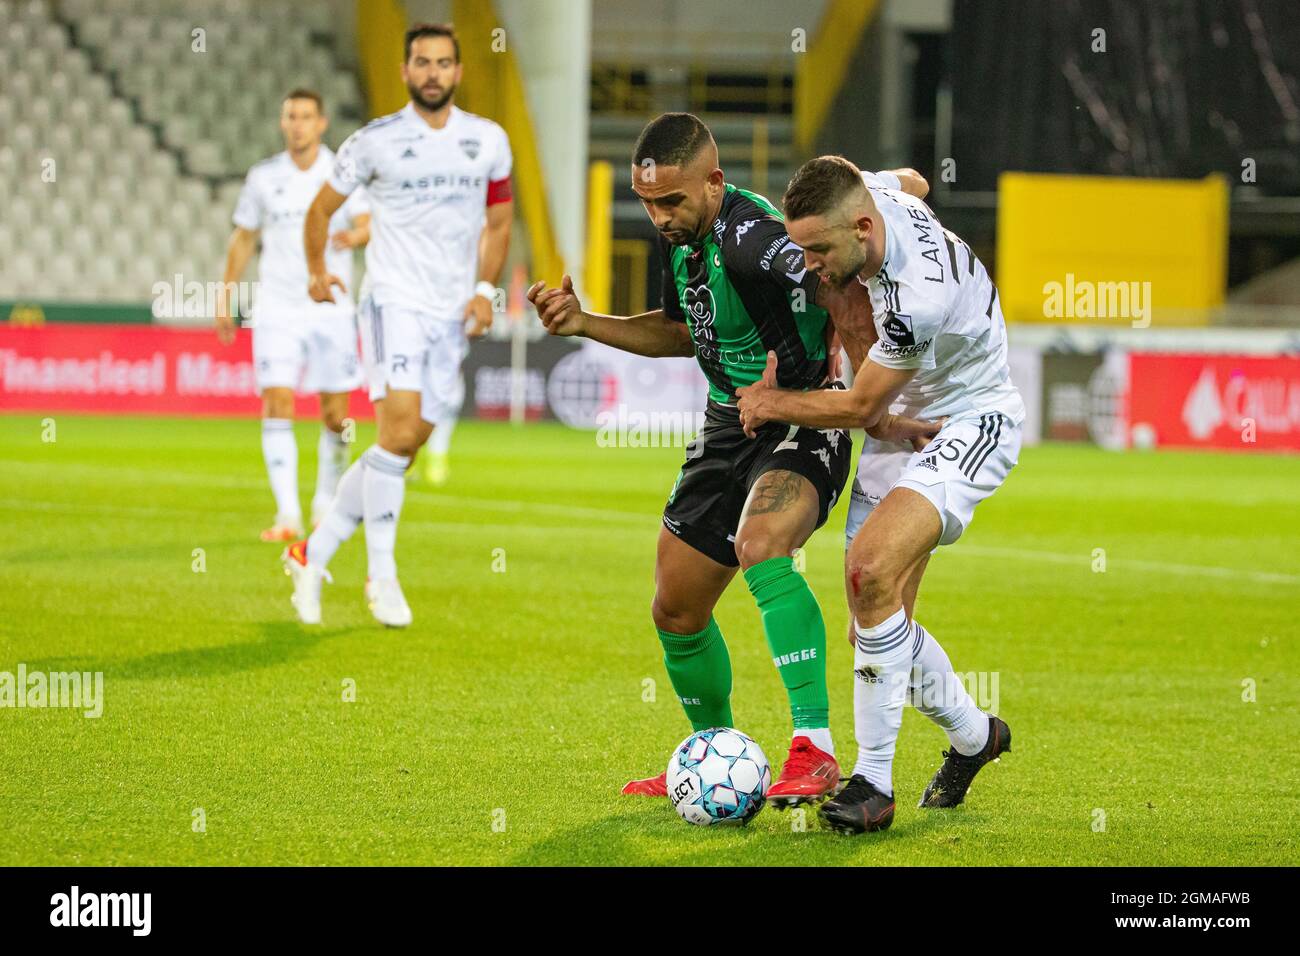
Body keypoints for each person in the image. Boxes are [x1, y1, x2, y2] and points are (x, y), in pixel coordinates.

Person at [529, 113, 936, 806]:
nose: (658, 216)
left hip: (801, 419)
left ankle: (816, 749)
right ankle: (711, 754)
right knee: (676, 608)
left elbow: (835, 282)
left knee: (762, 544)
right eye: (648, 202)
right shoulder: (685, 240)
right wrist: (585, 321)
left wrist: (875, 405)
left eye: (672, 201)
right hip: (728, 425)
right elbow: (680, 331)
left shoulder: (756, 238)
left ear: (714, 182)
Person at [736, 155, 1022, 833]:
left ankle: (872, 787)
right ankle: (977, 737)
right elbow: (915, 179)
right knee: (875, 615)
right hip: (905, 426)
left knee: (870, 573)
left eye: (818, 249)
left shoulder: (914, 294)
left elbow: (862, 405)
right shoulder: (875, 204)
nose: (808, 264)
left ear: (862, 227)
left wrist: (771, 400)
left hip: (966, 420)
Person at [282, 23, 513, 627]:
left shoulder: (488, 141)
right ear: (406, 72)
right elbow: (321, 208)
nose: (432, 72)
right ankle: (381, 578)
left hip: (451, 313)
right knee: (401, 430)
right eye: (421, 62)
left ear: (458, 73)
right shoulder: (374, 141)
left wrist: (486, 291)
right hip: (392, 302)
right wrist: (315, 269)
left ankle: (313, 552)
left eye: (443, 62)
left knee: (402, 448)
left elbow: (499, 220)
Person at [216, 88, 369, 541]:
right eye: (291, 116)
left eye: (306, 116)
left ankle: (325, 502)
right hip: (278, 307)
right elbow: (243, 238)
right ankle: (288, 515)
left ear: (322, 124)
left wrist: (357, 237)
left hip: (331, 308)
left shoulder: (340, 174)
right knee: (277, 401)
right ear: (282, 123)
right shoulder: (264, 177)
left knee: (336, 414)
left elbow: (368, 222)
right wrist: (225, 295)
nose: (298, 124)